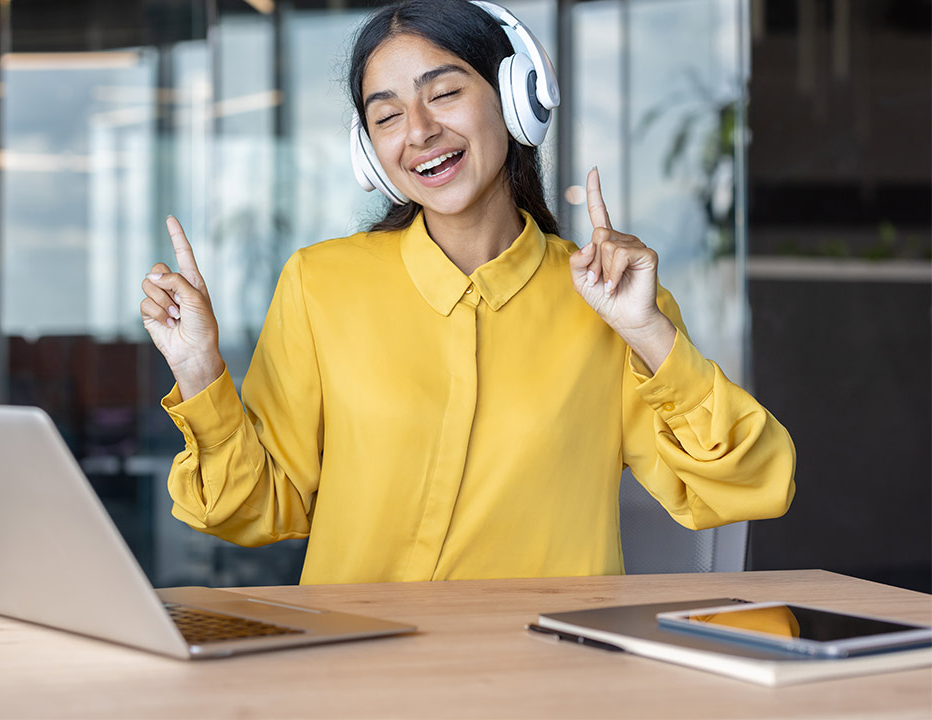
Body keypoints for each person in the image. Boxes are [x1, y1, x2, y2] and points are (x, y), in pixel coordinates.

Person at [139, 0, 795, 585]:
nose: (418, 129)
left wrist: (647, 331)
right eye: (387, 114)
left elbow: (746, 486)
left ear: (515, 99)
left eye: (443, 93)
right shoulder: (321, 286)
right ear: (370, 151)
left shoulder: (610, 302)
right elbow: (252, 509)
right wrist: (200, 373)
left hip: (544, 678)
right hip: (357, 675)